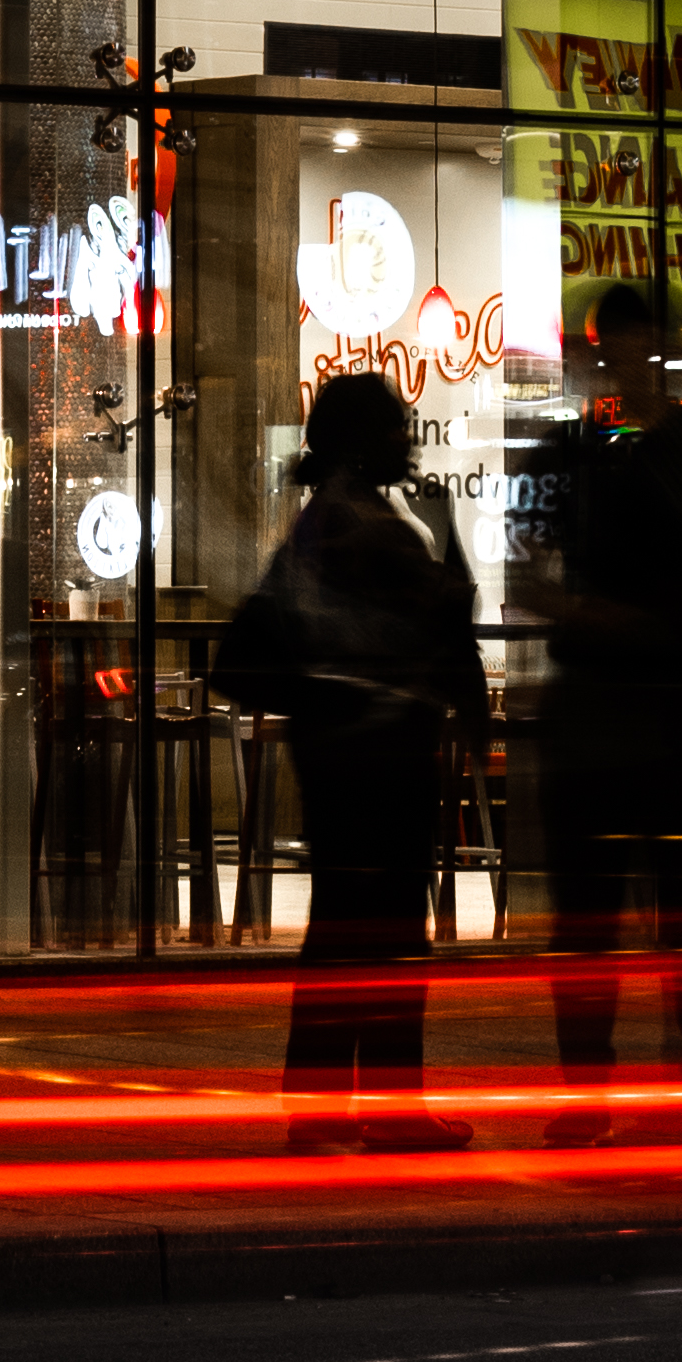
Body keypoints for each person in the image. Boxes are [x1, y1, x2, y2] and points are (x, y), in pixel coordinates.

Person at [213, 370, 486, 1146]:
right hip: (375, 747)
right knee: (386, 927)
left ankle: (325, 1105)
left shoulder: (327, 518)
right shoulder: (358, 524)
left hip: (340, 746)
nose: (407, 436)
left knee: (348, 925)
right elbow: (425, 621)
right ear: (368, 438)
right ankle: (377, 1109)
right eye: (396, 425)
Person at [517, 279, 682, 1130]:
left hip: (622, 703)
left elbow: (529, 574)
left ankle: (621, 1091)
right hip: (660, 700)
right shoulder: (679, 448)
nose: (627, 359)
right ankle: (679, 1090)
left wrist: (588, 614)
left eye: (639, 344)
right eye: (620, 344)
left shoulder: (586, 452)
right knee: (663, 906)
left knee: (622, 910)